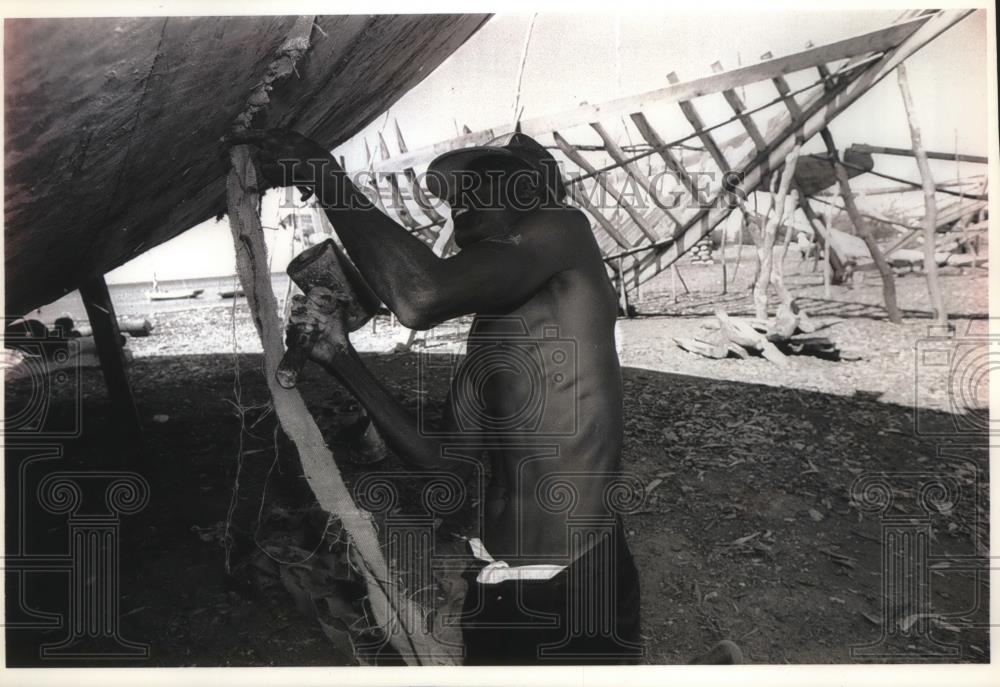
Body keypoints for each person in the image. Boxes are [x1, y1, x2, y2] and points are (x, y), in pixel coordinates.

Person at [226, 129, 736, 665]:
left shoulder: (564, 230)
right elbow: (443, 463)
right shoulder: (492, 332)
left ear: (530, 191)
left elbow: (420, 296)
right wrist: (340, 357)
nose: (457, 196)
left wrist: (324, 175)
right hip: (496, 583)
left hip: (576, 580)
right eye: (456, 191)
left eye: (480, 179)